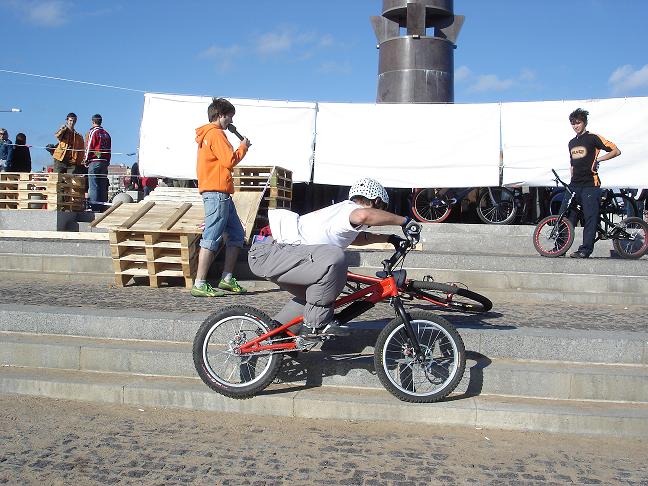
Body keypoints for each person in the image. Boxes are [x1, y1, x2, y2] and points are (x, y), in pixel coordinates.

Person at [247, 177, 422, 338]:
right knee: (335, 258)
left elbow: (359, 238)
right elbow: (364, 215)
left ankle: (275, 336)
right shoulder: (350, 209)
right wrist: (405, 221)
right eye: (381, 209)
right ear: (376, 202)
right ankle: (315, 325)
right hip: (269, 252)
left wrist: (390, 238)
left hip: (274, 253)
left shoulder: (341, 217)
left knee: (321, 292)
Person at [191, 97, 252, 297]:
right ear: (220, 115)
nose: (231, 121)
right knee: (212, 236)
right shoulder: (216, 134)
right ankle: (200, 283)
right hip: (217, 192)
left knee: (236, 234)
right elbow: (229, 160)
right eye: (229, 117)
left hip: (219, 192)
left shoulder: (207, 134)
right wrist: (243, 147)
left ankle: (226, 278)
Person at [565, 108, 621, 258]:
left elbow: (616, 150)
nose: (575, 126)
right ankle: (560, 247)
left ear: (584, 122)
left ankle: (585, 250)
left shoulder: (593, 138)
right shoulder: (571, 143)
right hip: (574, 185)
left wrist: (598, 159)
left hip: (590, 184)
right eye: (573, 123)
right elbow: (572, 164)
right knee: (567, 216)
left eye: (578, 123)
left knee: (590, 217)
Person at [84, 114, 112, 212]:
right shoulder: (107, 134)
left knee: (93, 185)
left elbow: (89, 146)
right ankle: (103, 206)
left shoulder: (93, 132)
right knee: (103, 185)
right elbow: (109, 149)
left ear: (93, 122)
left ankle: (94, 207)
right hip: (104, 162)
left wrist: (86, 159)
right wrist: (108, 161)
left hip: (95, 161)